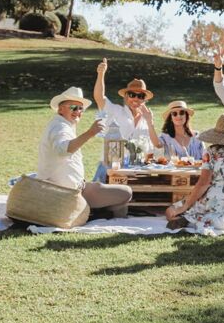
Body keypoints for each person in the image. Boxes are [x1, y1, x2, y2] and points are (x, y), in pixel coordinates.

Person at [37, 86, 132, 218]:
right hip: (65, 193)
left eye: (80, 108)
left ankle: (94, 212)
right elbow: (63, 149)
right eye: (73, 107)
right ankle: (95, 213)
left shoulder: (63, 125)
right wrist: (90, 133)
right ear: (60, 109)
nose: (78, 111)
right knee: (125, 193)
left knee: (119, 193)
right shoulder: (60, 127)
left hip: (73, 189)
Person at [165, 114, 224, 230]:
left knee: (170, 211)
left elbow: (204, 183)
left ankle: (191, 219)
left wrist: (186, 205)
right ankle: (221, 220)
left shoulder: (212, 152)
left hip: (213, 200)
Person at [92, 58, 155, 181]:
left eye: (140, 96)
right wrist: (101, 74)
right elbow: (99, 97)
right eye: (132, 95)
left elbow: (150, 148)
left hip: (137, 170)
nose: (136, 98)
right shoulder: (115, 111)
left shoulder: (146, 118)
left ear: (144, 99)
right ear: (126, 96)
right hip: (111, 168)